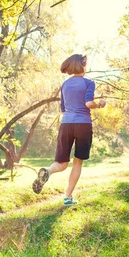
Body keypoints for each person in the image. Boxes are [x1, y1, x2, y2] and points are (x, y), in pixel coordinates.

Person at [32, 54, 106, 206]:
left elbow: (63, 110)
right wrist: (100, 104)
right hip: (83, 125)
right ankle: (67, 198)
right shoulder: (89, 83)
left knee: (61, 163)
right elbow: (89, 103)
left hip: (66, 124)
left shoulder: (65, 85)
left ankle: (47, 171)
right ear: (82, 66)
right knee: (77, 162)